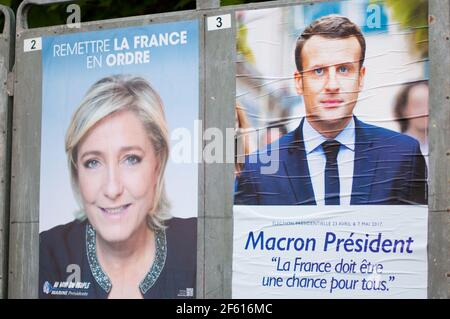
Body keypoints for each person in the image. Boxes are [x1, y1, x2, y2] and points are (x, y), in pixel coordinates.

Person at [234, 15, 427, 206]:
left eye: (343, 69)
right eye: (318, 71)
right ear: (299, 82)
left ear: (360, 78)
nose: (332, 85)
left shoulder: (403, 156)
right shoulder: (258, 168)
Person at [39, 75, 197, 299]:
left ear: (157, 164)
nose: (112, 189)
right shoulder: (47, 253)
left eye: (131, 159)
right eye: (93, 162)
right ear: (76, 172)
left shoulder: (198, 245)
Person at [394, 81, 429, 166]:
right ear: (404, 110)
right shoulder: (394, 149)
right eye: (417, 105)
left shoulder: (444, 149)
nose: (425, 111)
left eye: (429, 104)